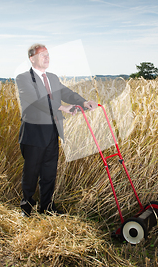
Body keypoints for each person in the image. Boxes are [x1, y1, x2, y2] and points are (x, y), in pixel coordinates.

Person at [15, 43, 97, 216]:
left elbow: (66, 93)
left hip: (53, 132)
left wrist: (83, 102)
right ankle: (26, 209)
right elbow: (36, 99)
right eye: (42, 54)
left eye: (48, 54)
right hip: (34, 134)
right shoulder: (23, 78)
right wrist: (63, 108)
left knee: (49, 173)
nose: (47, 57)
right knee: (31, 173)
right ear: (32, 58)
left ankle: (47, 208)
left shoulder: (52, 77)